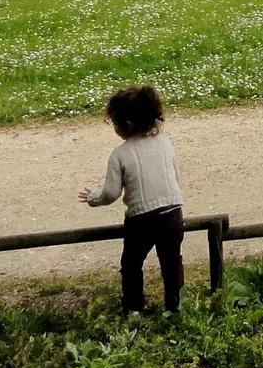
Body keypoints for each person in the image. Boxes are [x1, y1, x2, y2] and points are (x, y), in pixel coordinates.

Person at [78, 86, 185, 315]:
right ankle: (177, 308)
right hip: (173, 212)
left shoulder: (120, 154)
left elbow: (111, 193)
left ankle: (134, 310)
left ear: (126, 125)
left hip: (142, 219)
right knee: (172, 263)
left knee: (131, 265)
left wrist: (92, 198)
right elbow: (174, 176)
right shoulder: (166, 144)